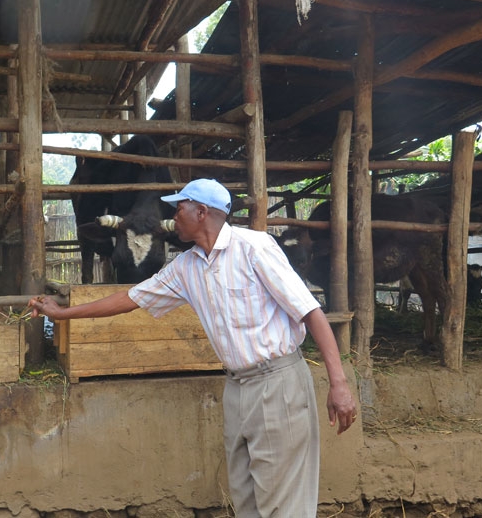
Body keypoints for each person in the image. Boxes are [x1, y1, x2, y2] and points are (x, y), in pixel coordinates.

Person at [30, 178, 357, 517]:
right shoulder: (187, 267)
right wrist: (63, 313)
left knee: (284, 503)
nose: (174, 215)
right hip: (237, 386)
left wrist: (339, 383)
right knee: (246, 496)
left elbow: (310, 312)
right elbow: (129, 298)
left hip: (278, 384)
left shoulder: (254, 247)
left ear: (201, 212)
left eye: (180, 208)